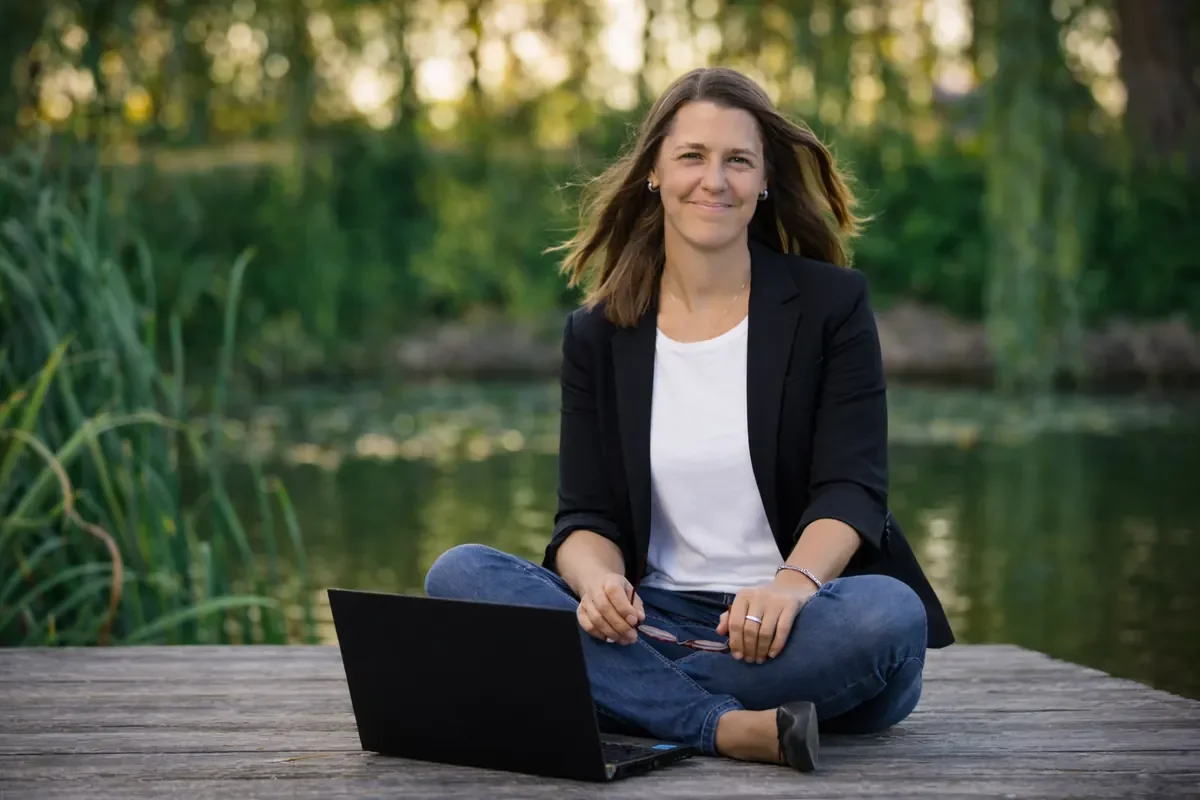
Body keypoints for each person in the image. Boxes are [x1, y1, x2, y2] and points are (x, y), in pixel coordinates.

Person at [424, 66, 954, 773]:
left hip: (800, 623)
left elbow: (851, 492)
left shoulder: (831, 306)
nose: (716, 180)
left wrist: (789, 590)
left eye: (738, 160)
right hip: (653, 620)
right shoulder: (598, 334)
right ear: (654, 173)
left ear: (764, 180)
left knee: (891, 618)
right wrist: (600, 586)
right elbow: (584, 519)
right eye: (693, 157)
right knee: (459, 575)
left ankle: (610, 692)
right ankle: (722, 726)